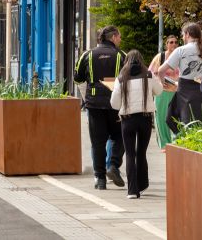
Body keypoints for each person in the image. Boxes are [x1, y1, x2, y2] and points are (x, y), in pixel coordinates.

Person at [74, 25, 126, 190]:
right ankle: (113, 165)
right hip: (115, 104)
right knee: (119, 137)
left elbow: (77, 78)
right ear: (113, 38)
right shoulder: (121, 55)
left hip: (94, 104)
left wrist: (87, 95)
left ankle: (100, 178)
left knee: (97, 142)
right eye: (119, 37)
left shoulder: (87, 55)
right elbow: (128, 78)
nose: (120, 40)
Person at [110, 50, 163, 199]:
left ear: (126, 61)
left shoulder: (121, 78)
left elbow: (114, 104)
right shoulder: (148, 75)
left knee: (130, 154)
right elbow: (159, 91)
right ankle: (142, 184)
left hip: (127, 120)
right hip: (145, 118)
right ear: (141, 60)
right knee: (141, 153)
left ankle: (132, 190)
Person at [158, 22, 202, 133]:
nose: (182, 37)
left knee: (178, 122)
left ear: (188, 34)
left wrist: (162, 83)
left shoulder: (181, 50)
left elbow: (161, 70)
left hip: (185, 95)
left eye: (183, 35)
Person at [148, 35, 179, 151]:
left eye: (176, 42)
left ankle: (175, 143)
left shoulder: (180, 56)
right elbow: (150, 73)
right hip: (162, 92)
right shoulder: (160, 57)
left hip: (176, 92)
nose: (174, 44)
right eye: (171, 42)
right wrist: (159, 82)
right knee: (161, 118)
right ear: (166, 44)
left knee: (176, 119)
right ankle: (164, 144)